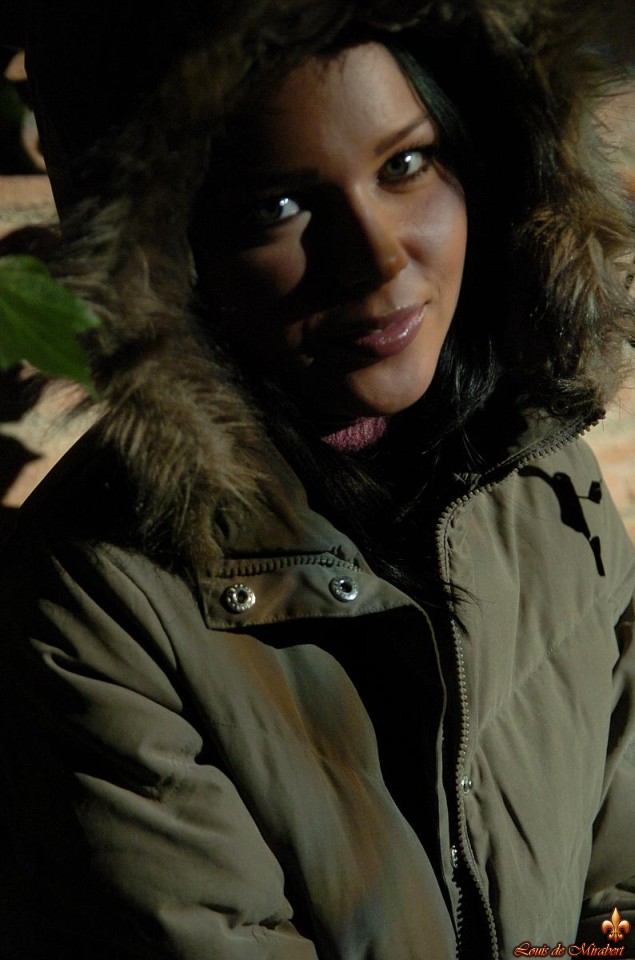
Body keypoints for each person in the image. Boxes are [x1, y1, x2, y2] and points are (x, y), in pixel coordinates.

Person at [1, 2, 634, 958]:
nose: (375, 260)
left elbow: (617, 879)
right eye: (277, 207)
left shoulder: (540, 467)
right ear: (169, 254)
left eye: (404, 164)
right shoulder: (101, 602)